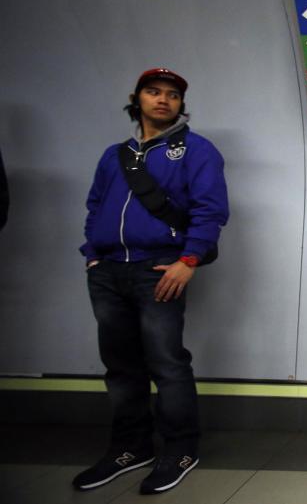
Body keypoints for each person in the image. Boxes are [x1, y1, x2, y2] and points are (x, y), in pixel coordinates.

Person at [73, 68, 229, 495]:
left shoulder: (196, 151)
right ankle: (131, 448)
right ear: (136, 98)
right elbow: (95, 206)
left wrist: (189, 260)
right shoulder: (114, 155)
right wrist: (93, 257)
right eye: (154, 92)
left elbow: (210, 209)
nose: (163, 100)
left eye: (173, 95)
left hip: (159, 269)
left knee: (167, 362)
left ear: (181, 104)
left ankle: (180, 449)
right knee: (121, 366)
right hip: (108, 272)